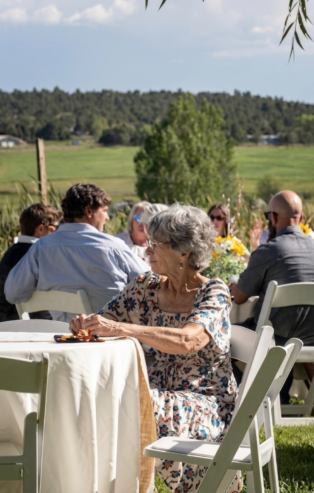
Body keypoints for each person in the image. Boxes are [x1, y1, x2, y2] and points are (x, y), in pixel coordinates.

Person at [69, 204, 242, 493]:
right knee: (108, 400)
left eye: (155, 245)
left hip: (204, 403)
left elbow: (188, 340)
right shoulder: (145, 287)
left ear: (184, 253)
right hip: (154, 394)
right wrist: (85, 324)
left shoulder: (213, 291)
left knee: (128, 405)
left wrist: (124, 329)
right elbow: (105, 322)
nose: (147, 251)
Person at [230, 190, 314, 415]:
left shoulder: (268, 251)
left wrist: (234, 284)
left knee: (221, 338)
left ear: (273, 218)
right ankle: (278, 397)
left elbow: (239, 298)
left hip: (272, 336)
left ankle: (243, 402)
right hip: (313, 337)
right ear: (301, 218)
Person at [5, 184, 150, 323]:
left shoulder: (41, 248)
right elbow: (151, 286)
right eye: (104, 211)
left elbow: (13, 293)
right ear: (88, 212)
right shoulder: (114, 247)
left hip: (59, 339)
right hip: (110, 339)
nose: (107, 217)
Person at [0, 203, 63, 322]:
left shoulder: (11, 252)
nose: (58, 232)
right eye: (56, 227)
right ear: (40, 229)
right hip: (28, 325)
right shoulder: (39, 255)